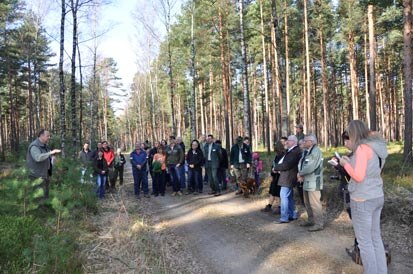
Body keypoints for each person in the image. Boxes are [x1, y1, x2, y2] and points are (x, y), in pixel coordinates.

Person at [339, 120, 388, 274]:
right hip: (376, 195)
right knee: (375, 239)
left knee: (364, 243)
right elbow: (369, 171)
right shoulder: (377, 147)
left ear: (353, 133)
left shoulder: (361, 149)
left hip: (362, 199)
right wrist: (350, 162)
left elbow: (359, 176)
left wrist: (344, 164)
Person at [297, 134, 324, 232]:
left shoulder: (316, 152)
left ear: (311, 142)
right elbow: (302, 164)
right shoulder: (306, 151)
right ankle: (311, 220)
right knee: (307, 203)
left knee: (315, 204)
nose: (303, 142)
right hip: (306, 181)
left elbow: (310, 167)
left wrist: (300, 173)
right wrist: (300, 174)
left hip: (313, 182)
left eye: (305, 141)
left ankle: (319, 224)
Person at [272, 135, 301, 224]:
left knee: (283, 196)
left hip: (288, 177)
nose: (287, 142)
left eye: (288, 141)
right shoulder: (292, 151)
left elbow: (287, 165)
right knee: (289, 197)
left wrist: (276, 168)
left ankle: (284, 217)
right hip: (288, 176)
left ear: (293, 142)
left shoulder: (294, 152)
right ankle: (292, 215)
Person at [26, 129, 61, 199]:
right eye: (48, 136)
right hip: (36, 176)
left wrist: (52, 158)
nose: (49, 137)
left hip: (45, 174)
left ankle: (45, 208)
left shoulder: (45, 146)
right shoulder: (34, 146)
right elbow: (38, 158)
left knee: (45, 195)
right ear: (41, 136)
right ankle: (38, 209)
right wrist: (50, 153)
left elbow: (47, 156)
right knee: (38, 197)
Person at [261, 140, 285, 214]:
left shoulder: (283, 155)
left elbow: (283, 165)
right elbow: (273, 165)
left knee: (280, 193)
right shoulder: (277, 155)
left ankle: (280, 208)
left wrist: (277, 170)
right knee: (272, 192)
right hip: (275, 177)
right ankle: (269, 206)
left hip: (281, 177)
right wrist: (271, 174)